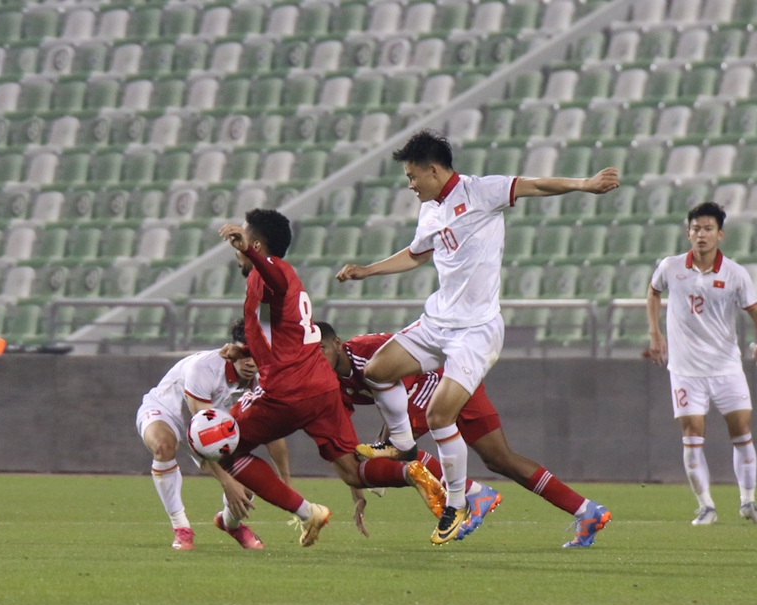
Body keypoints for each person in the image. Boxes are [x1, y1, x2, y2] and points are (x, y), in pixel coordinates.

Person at [336, 129, 619, 544]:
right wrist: (367, 269)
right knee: (378, 370)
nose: (410, 185)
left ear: (434, 169)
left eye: (413, 176)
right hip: (437, 321)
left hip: (475, 331)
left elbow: (536, 185)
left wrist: (585, 184)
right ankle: (401, 445)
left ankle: (456, 503)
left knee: (438, 417)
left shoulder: (482, 190)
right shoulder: (431, 210)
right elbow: (417, 253)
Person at [217, 209, 445, 546]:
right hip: (322, 387)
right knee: (353, 471)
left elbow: (277, 281)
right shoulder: (264, 284)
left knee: (225, 447)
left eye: (243, 245)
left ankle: (307, 512)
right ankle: (407, 472)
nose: (237, 252)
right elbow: (269, 330)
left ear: (256, 244)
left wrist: (250, 251)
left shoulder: (273, 271)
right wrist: (246, 351)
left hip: (287, 390)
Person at [319, 322, 612, 547]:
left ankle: (475, 493)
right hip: (456, 380)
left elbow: (402, 402)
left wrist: (386, 445)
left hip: (441, 380)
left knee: (399, 449)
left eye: (321, 349)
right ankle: (587, 511)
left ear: (337, 343)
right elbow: (346, 445)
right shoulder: (332, 381)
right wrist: (357, 492)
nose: (317, 357)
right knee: (500, 459)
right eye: (311, 352)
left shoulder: (367, 351)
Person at [647, 202, 757, 526]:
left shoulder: (735, 273)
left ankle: (748, 502)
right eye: (696, 228)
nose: (701, 234)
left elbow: (756, 311)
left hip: (726, 367)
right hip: (686, 371)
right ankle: (706, 506)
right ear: (688, 232)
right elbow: (653, 292)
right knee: (693, 434)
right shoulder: (671, 266)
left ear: (720, 234)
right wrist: (656, 333)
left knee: (742, 431)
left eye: (708, 229)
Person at [136, 319, 290, 551]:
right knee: (163, 446)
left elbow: (272, 433)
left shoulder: (266, 380)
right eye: (244, 354)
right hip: (168, 413)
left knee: (248, 483)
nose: (250, 362)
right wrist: (227, 482)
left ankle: (230, 524)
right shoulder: (204, 369)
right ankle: (181, 528)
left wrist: (286, 486)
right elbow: (201, 438)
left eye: (256, 354)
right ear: (231, 350)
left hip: (215, 427)